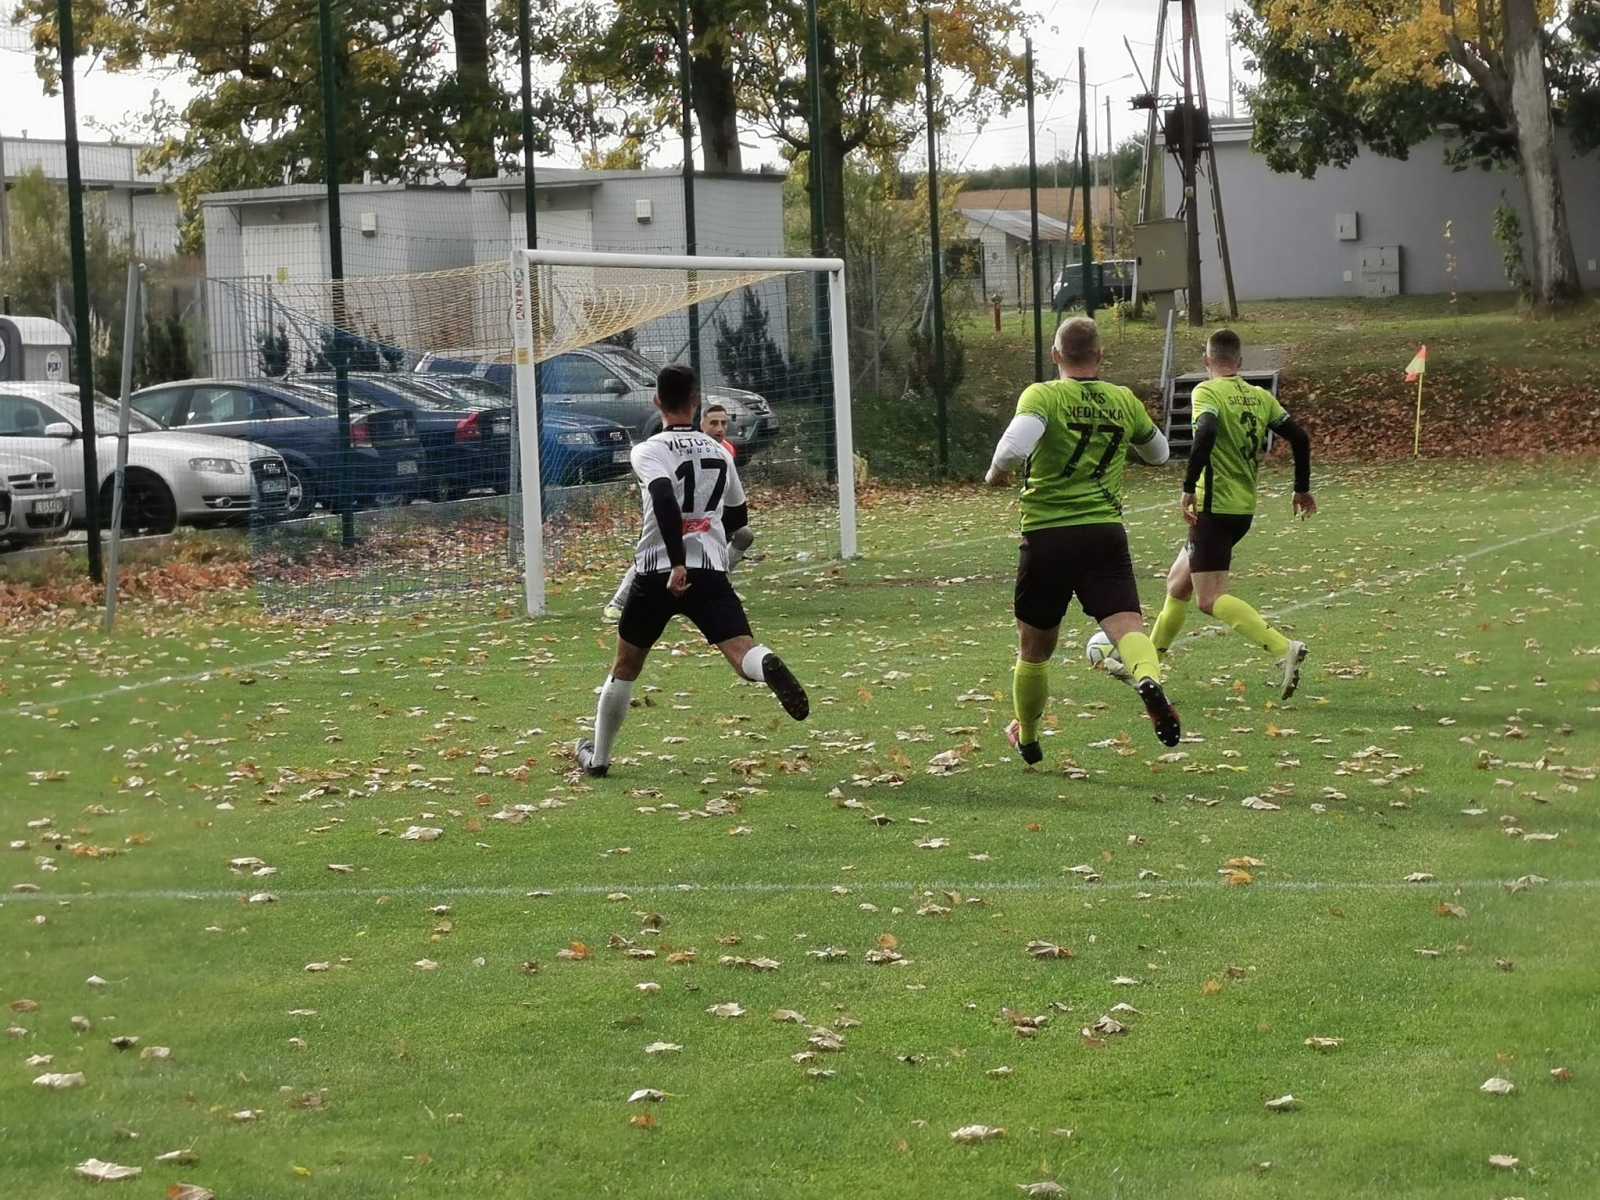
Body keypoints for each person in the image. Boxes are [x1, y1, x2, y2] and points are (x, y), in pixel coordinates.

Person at [577, 364, 806, 778]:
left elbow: (664, 496)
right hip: (709, 571)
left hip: (658, 572)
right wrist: (709, 536)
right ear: (696, 403)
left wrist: (677, 560)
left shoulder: (649, 450)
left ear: (657, 401)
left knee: (626, 666)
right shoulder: (719, 452)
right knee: (743, 653)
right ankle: (767, 662)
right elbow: (738, 516)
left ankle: (599, 759)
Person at [985, 316, 1181, 765]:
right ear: (1100, 356)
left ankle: (1028, 737)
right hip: (1103, 533)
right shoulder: (1123, 399)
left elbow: (1012, 449)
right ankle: (1147, 679)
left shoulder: (1044, 395)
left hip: (1047, 536)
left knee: (1034, 651)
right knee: (1128, 628)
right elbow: (1160, 454)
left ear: (1055, 355)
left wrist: (996, 473)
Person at [1134, 328, 1315, 699]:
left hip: (1213, 508)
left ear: (1207, 361)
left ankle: (1283, 648)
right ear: (1240, 362)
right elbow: (1300, 437)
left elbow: (1206, 432)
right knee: (1177, 583)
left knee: (1209, 598)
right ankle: (1146, 667)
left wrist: (1188, 486)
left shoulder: (1207, 391)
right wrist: (1300, 487)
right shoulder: (1260, 396)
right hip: (1241, 508)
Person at [603, 400, 754, 622]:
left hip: (702, 517)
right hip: (669, 513)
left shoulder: (725, 450)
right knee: (657, 548)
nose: (720, 429)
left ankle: (720, 582)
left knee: (743, 534)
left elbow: (730, 501)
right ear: (700, 423)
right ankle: (617, 602)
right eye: (713, 423)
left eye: (723, 423)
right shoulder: (672, 447)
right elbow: (662, 488)